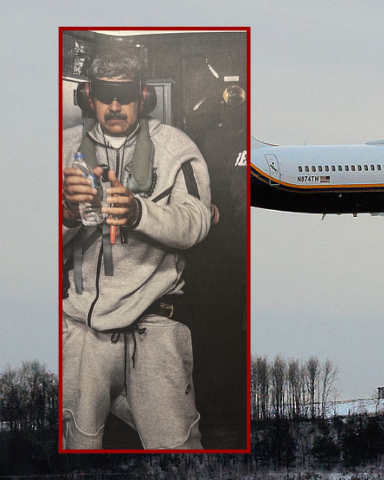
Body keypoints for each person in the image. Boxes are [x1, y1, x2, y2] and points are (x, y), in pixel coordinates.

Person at [61, 44, 212, 450]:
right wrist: (68, 216)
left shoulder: (177, 148)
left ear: (143, 97)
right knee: (76, 449)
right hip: (81, 334)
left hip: (155, 328)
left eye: (125, 95)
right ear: (86, 96)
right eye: (104, 93)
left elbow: (196, 222)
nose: (114, 105)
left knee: (177, 450)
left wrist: (138, 212)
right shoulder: (60, 149)